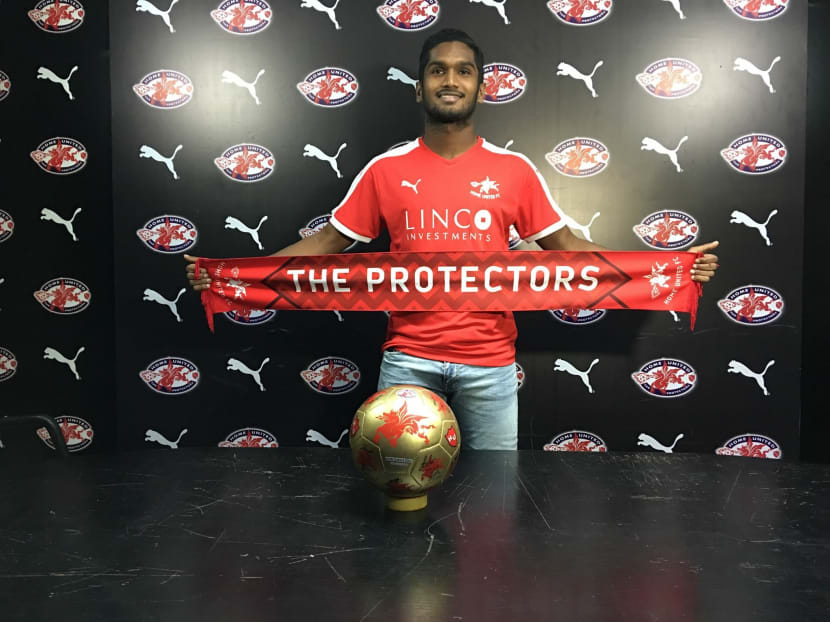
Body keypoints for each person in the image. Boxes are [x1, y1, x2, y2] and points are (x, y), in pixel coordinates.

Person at [186, 28, 720, 450]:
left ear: (481, 87)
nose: (450, 79)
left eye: (463, 71)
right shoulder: (385, 169)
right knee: (398, 485)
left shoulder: (513, 170)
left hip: (490, 362)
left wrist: (665, 268)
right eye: (438, 70)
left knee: (493, 496)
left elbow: (570, 253)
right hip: (407, 358)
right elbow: (327, 244)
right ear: (420, 87)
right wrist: (230, 274)